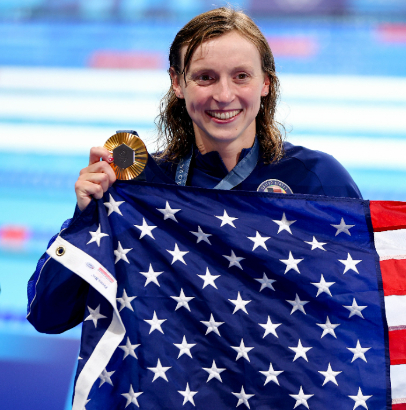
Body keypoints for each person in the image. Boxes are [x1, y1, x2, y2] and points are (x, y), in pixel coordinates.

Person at [28, 7, 361, 334]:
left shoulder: (316, 180)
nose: (224, 95)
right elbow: (48, 315)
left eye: (241, 76)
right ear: (177, 82)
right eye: (205, 77)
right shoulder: (141, 186)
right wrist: (85, 219)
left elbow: (363, 309)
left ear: (266, 84)